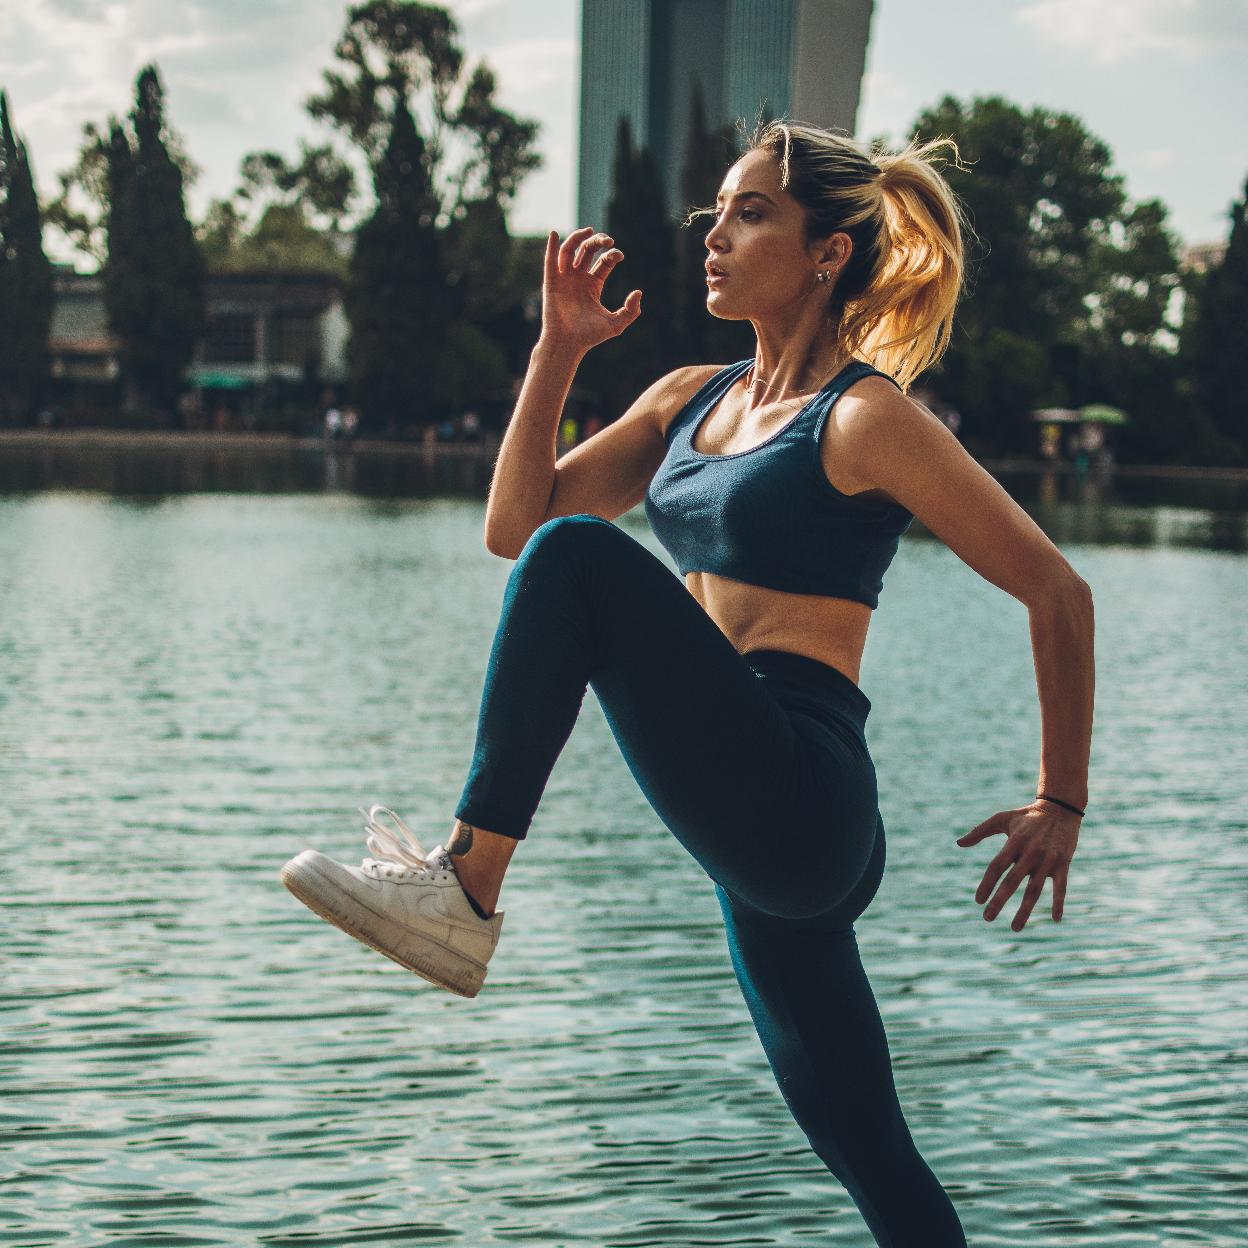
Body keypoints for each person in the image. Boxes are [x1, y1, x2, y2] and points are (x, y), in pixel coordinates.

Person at [280, 118, 1095, 1246]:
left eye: (751, 213)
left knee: (584, 561)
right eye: (716, 211)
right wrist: (558, 350)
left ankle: (466, 889)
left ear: (828, 254)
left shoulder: (867, 418)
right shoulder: (685, 401)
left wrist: (1061, 799)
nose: (714, 234)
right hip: (748, 816)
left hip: (800, 790)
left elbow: (1058, 590)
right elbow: (515, 528)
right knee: (876, 1161)